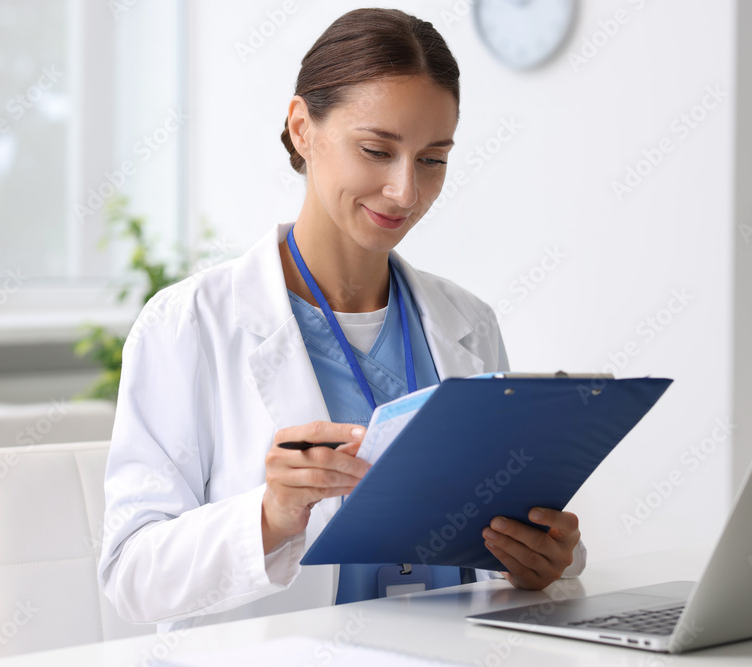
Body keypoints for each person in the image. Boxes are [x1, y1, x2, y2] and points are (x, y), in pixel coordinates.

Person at [97, 7, 585, 633]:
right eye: (376, 150)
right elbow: (132, 578)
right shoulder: (187, 325)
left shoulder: (469, 323)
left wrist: (541, 558)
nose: (406, 191)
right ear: (302, 128)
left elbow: (505, 535)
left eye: (433, 159)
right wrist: (270, 516)